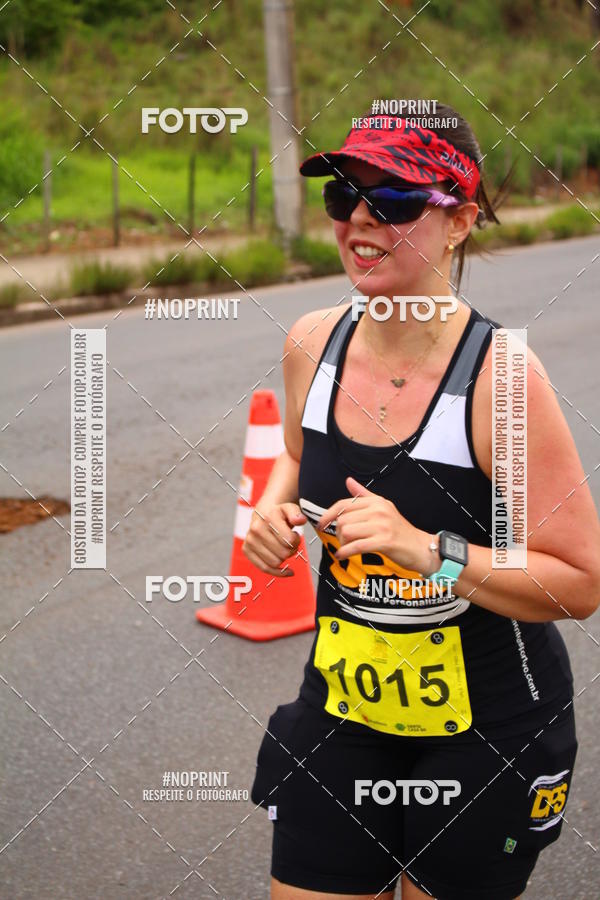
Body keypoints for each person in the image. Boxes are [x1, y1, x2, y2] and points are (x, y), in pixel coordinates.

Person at [243, 102, 600, 899]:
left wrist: (430, 551)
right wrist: (272, 510)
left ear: (460, 220)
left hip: (486, 729)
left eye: (396, 201)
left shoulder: (501, 381)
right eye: (343, 195)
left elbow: (579, 582)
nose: (360, 221)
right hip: (344, 705)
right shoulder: (311, 341)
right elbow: (299, 458)